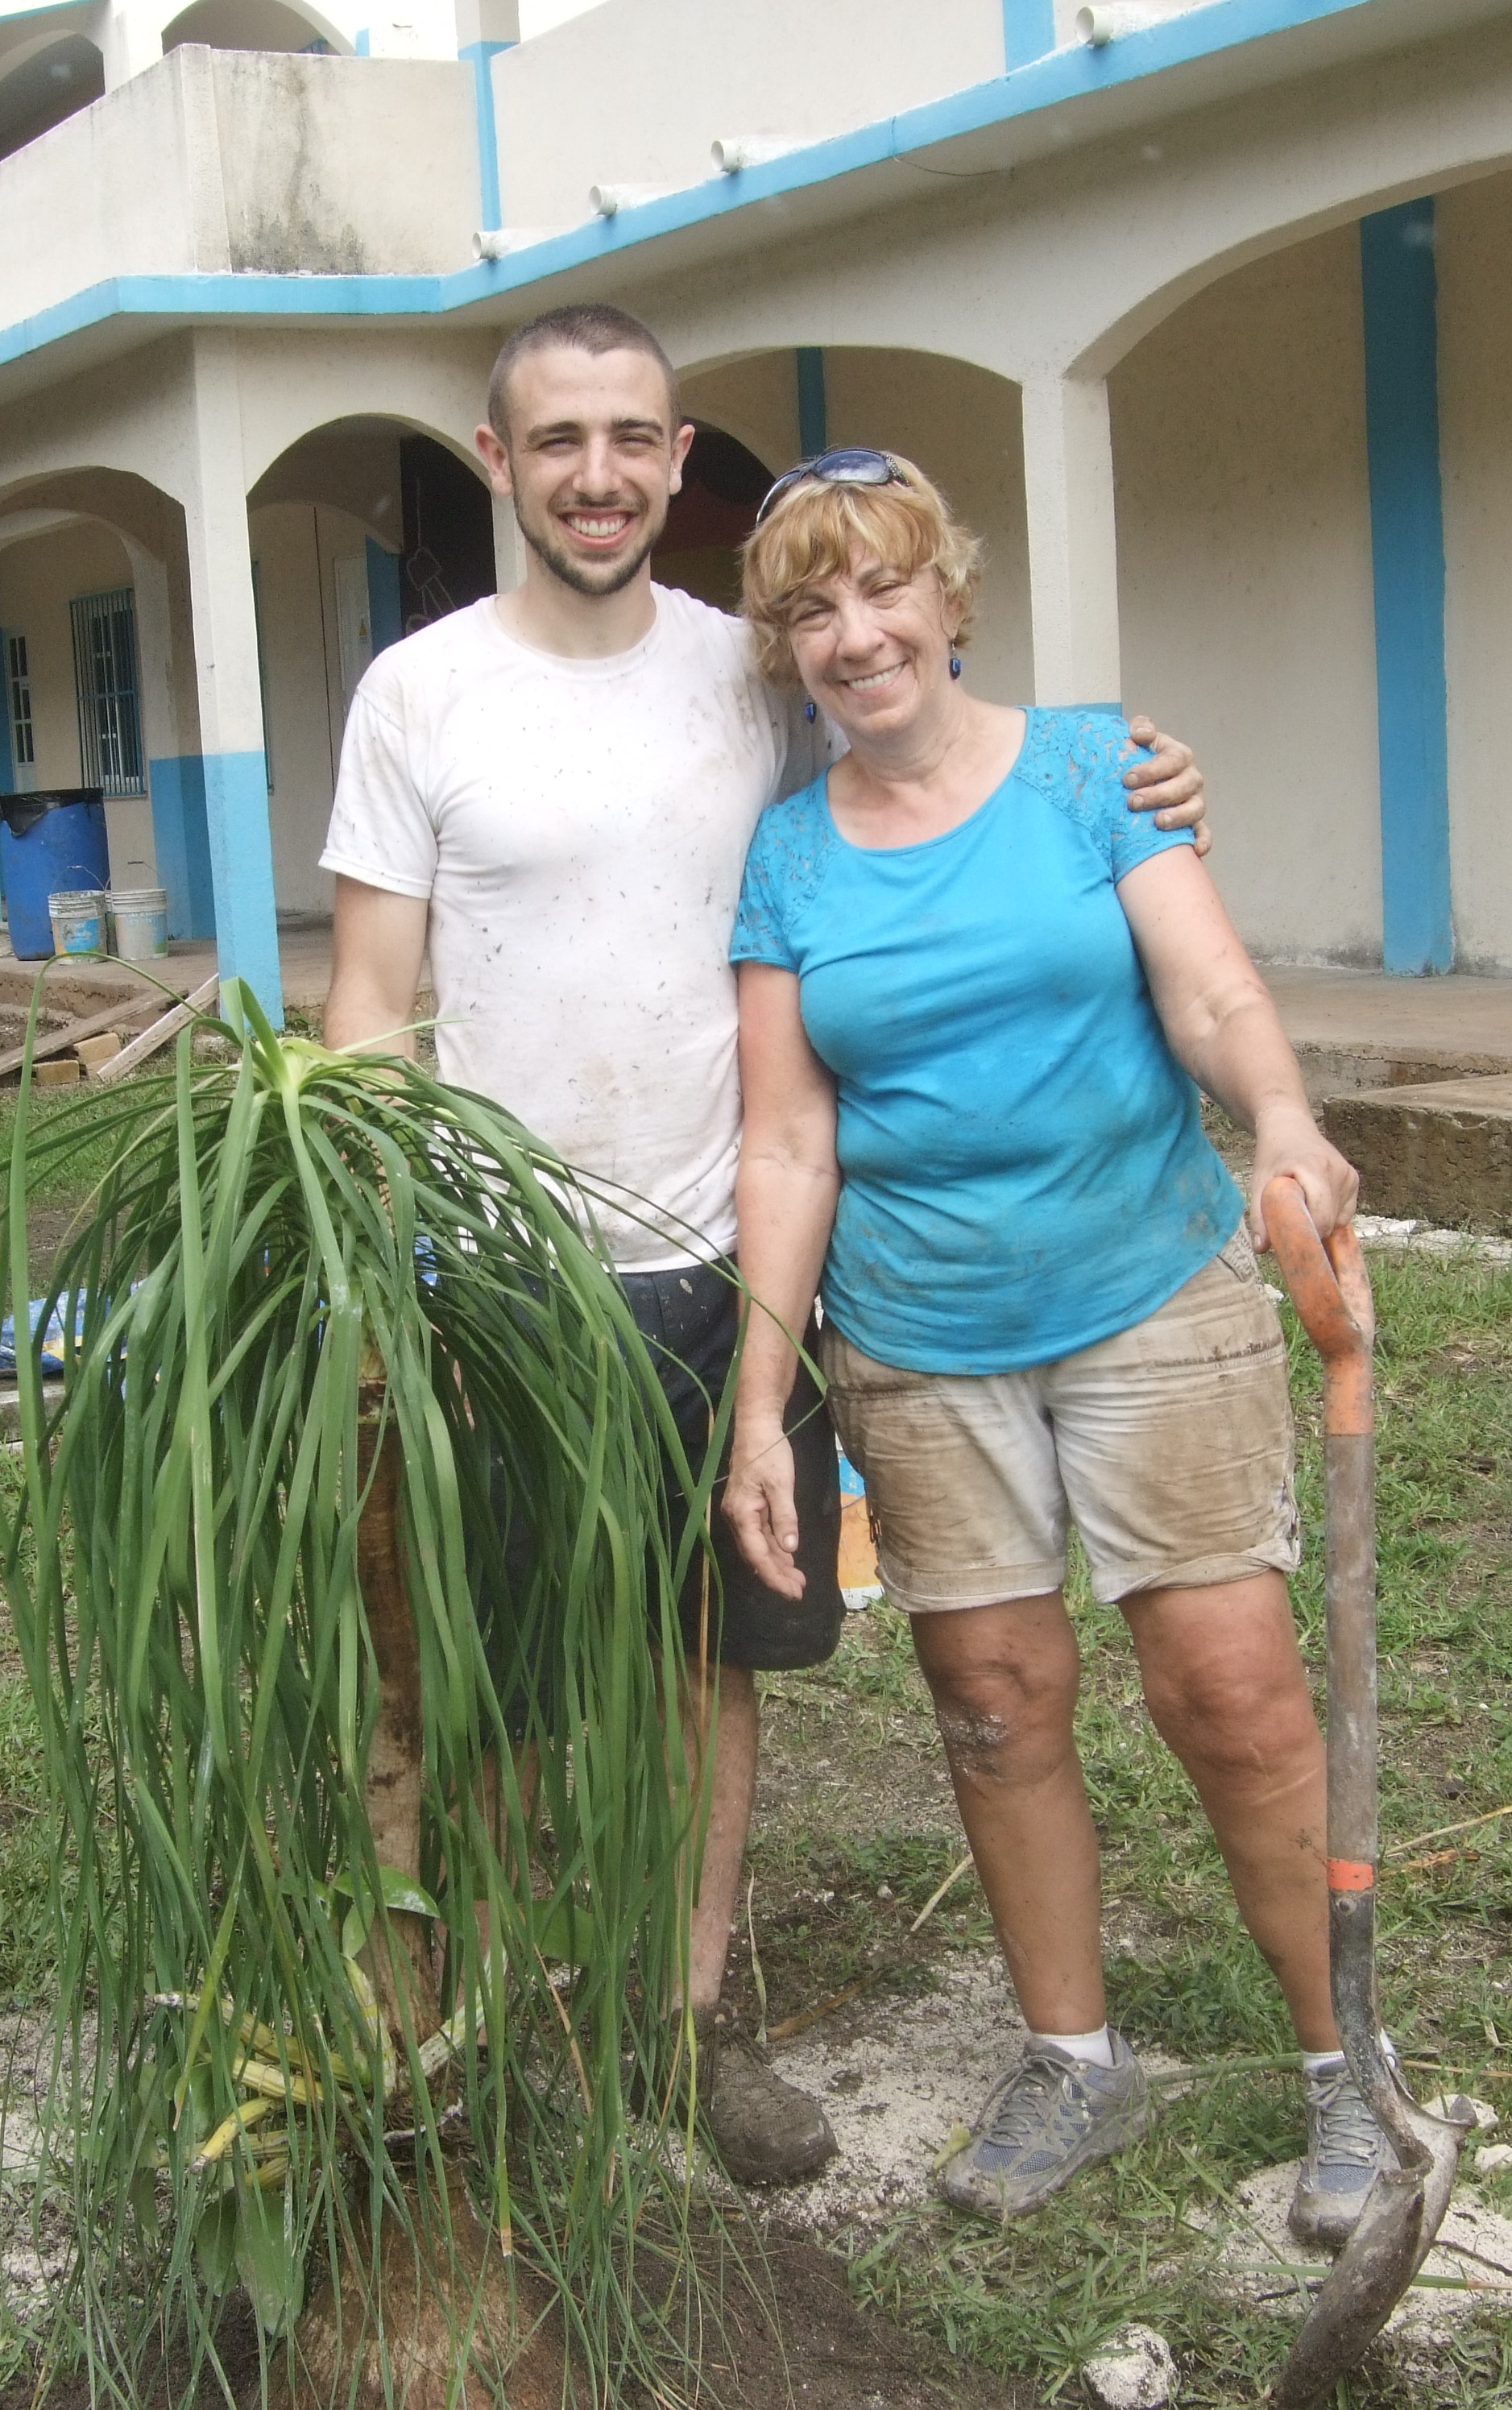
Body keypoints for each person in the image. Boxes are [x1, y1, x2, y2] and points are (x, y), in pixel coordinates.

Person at [317, 304, 1211, 2188]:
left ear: (674, 453)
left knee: (699, 1661)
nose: (596, 475)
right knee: (500, 1660)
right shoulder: (418, 692)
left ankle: (684, 2016)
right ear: (496, 461)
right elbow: (370, 1002)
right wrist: (364, 1256)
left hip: (720, 1257)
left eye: (632, 437)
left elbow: (938, 737)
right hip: (492, 1268)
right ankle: (496, 1997)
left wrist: (1136, 775)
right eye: (556, 439)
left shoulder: (752, 668)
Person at [719, 448, 1385, 2238]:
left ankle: (1345, 2068)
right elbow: (787, 1141)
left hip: (1143, 1288)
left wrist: (1281, 1120)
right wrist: (758, 1400)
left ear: (949, 595)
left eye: (880, 590)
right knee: (994, 1709)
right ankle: (1071, 2059)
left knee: (1230, 1695)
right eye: (808, 611)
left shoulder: (1095, 769)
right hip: (920, 1340)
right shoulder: (785, 857)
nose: (853, 638)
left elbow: (1209, 985)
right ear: (785, 648)